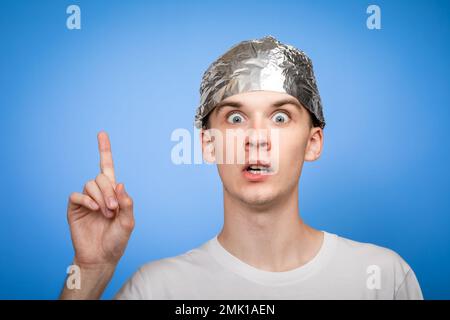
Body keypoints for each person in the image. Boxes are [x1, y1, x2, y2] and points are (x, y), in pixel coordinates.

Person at [59, 36, 423, 300]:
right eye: (235, 118)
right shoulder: (158, 289)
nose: (257, 138)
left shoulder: (382, 278)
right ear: (208, 143)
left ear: (313, 142)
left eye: (280, 117)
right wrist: (90, 271)